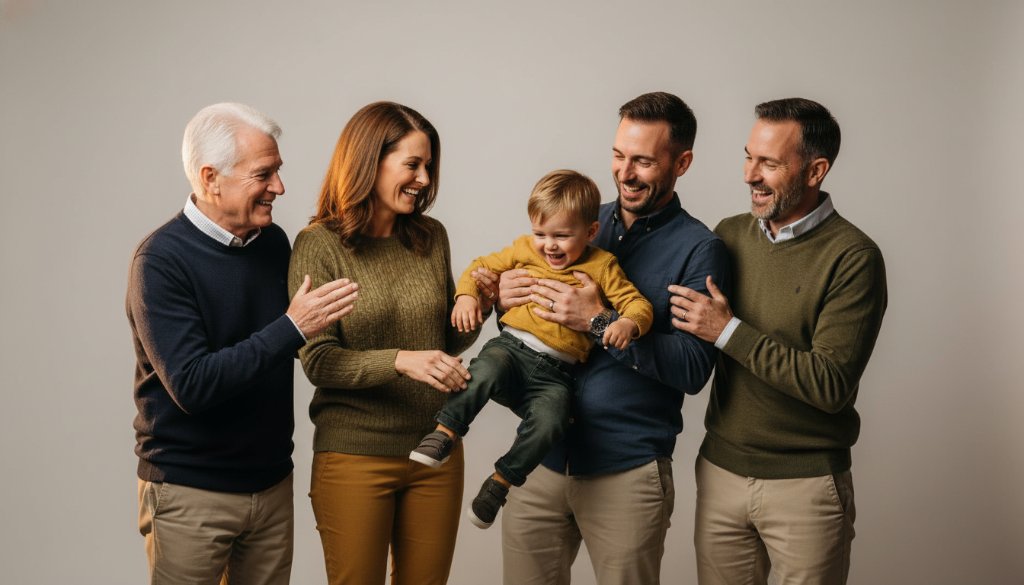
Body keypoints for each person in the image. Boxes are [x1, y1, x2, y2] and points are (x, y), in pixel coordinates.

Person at [473, 92, 731, 584]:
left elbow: (693, 369)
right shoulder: (573, 220)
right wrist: (504, 303)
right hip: (540, 460)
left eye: (643, 161)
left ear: (682, 163)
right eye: (618, 155)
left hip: (625, 471)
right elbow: (525, 329)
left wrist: (597, 321)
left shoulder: (700, 249)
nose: (625, 173)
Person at [127, 102, 359, 585]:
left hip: (271, 486)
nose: (279, 187)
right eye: (264, 174)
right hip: (190, 492)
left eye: (278, 171)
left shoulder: (273, 244)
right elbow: (192, 386)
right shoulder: (159, 261)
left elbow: (297, 345)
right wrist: (292, 327)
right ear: (210, 179)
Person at [668, 98, 888, 585]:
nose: (750, 175)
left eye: (769, 163)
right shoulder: (728, 235)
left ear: (816, 171)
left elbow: (830, 384)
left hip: (806, 486)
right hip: (720, 472)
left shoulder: (853, 257)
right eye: (749, 157)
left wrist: (728, 331)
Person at [287, 101, 480, 585]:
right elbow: (319, 361)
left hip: (436, 450)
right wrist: (399, 361)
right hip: (355, 456)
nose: (424, 179)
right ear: (369, 162)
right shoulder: (319, 245)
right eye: (412, 165)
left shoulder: (431, 236)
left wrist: (482, 303)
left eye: (428, 166)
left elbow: (442, 341)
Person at [409, 169, 654, 530]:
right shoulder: (524, 249)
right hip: (511, 348)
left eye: (561, 236)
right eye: (541, 234)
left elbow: (638, 304)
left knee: (553, 420)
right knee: (483, 371)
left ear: (590, 232)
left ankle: (499, 483)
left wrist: (625, 324)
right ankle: (444, 433)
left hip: (557, 374)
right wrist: (466, 297)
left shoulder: (602, 265)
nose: (549, 245)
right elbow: (480, 268)